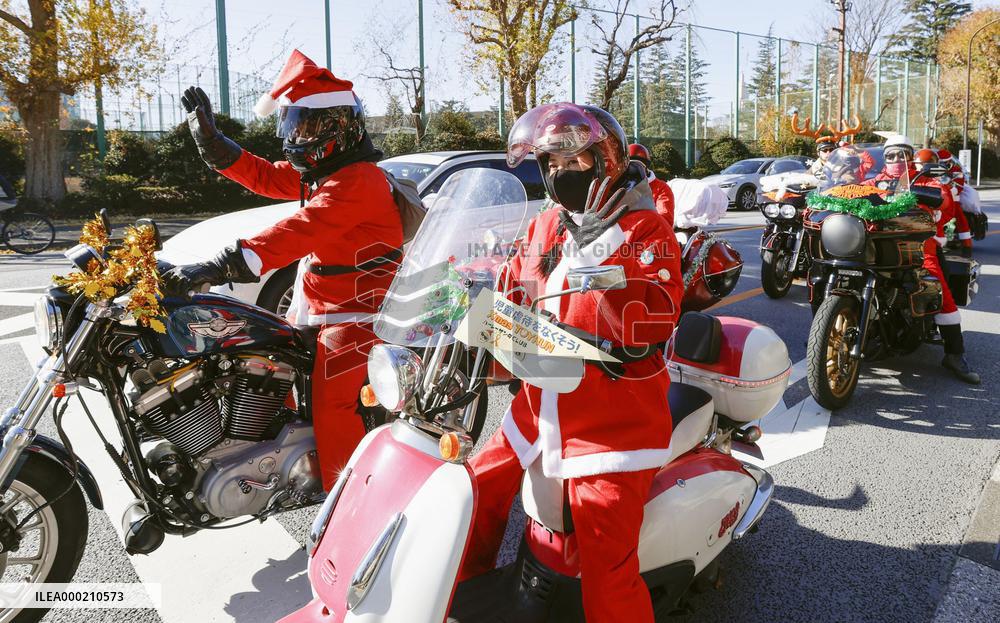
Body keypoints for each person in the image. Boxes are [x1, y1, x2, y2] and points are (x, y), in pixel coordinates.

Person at [459, 103, 683, 622]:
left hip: (611, 424)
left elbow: (655, 316)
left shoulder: (645, 229)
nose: (559, 175)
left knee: (607, 564)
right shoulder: (546, 225)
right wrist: (467, 296)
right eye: (550, 165)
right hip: (538, 408)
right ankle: (463, 589)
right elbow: (515, 287)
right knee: (471, 490)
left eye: (571, 163)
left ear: (603, 160)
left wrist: (594, 268)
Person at [161, 50, 404, 489]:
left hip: (360, 309)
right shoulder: (326, 171)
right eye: (292, 125)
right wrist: (214, 146)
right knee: (266, 364)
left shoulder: (358, 179)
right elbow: (269, 177)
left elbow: (298, 230)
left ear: (338, 127)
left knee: (331, 403)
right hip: (319, 303)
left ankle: (345, 495)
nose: (296, 136)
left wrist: (220, 265)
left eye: (306, 126)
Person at [866, 136, 979, 384]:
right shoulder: (874, 181)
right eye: (891, 155)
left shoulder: (924, 179)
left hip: (916, 243)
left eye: (902, 154)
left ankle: (954, 353)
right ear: (884, 158)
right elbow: (856, 193)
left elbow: (945, 203)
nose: (896, 159)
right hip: (876, 243)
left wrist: (934, 196)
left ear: (910, 156)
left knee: (936, 284)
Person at [628, 143, 676, 227]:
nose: (635, 169)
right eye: (630, 166)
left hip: (650, 236)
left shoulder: (661, 188)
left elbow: (665, 220)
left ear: (646, 167)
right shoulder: (618, 185)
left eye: (639, 165)